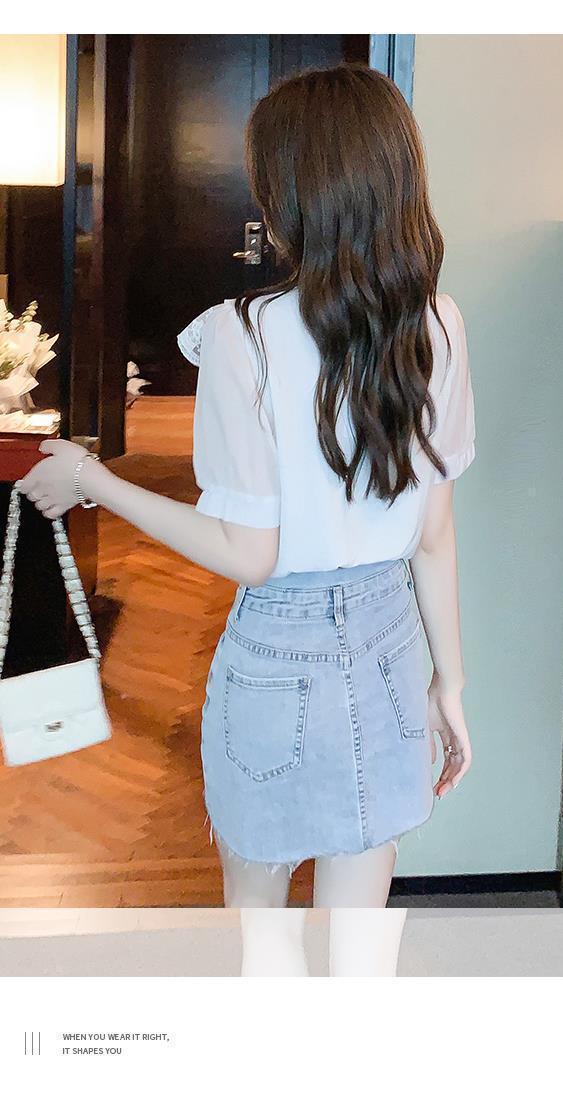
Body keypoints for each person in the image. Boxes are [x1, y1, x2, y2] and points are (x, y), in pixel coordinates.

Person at [18, 64, 476, 926]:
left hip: (277, 657)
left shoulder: (243, 335)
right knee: (358, 948)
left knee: (260, 938)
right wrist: (449, 684)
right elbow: (433, 535)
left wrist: (92, 479)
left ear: (289, 192)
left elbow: (249, 555)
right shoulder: (437, 323)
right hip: (391, 651)